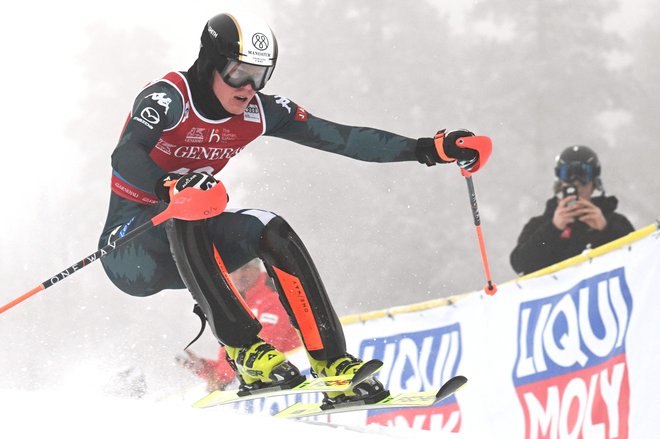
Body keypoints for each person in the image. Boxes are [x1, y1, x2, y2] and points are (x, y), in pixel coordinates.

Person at [98, 11, 490, 405]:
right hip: (129, 250)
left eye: (261, 75)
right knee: (193, 201)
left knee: (270, 228)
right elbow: (125, 154)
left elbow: (343, 138)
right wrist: (169, 186)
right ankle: (245, 352)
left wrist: (429, 149)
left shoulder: (258, 111)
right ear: (209, 63)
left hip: (194, 249)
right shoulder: (169, 97)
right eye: (239, 72)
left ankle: (331, 363)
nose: (250, 87)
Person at [177, 259, 301, 391]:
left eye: (245, 268)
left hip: (290, 375)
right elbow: (235, 356)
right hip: (265, 378)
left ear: (258, 268)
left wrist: (220, 378)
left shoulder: (273, 298)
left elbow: (264, 349)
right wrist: (204, 368)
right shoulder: (237, 305)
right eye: (233, 270)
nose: (239, 275)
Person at [510, 145, 634, 275]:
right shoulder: (538, 224)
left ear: (594, 184)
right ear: (560, 183)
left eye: (583, 174)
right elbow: (520, 263)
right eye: (568, 174)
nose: (576, 183)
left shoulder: (614, 221)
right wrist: (553, 228)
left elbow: (637, 256)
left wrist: (605, 230)